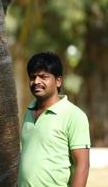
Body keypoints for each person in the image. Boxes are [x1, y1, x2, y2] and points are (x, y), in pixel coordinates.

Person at [18, 52, 90, 187]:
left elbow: (83, 165)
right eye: (33, 77)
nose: (36, 82)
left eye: (43, 77)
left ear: (58, 81)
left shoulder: (74, 115)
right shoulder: (28, 112)